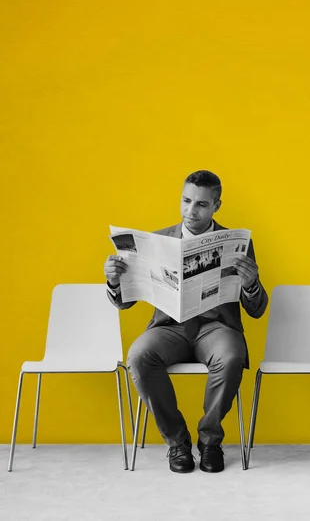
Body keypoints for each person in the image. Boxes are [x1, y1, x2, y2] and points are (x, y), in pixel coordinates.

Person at [104, 170, 268, 473]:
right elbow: (125, 301)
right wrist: (114, 282)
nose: (191, 211)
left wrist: (251, 284)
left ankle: (210, 441)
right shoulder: (156, 240)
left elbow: (257, 309)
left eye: (202, 205)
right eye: (186, 201)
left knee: (232, 357)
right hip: (170, 327)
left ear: (216, 205)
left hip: (216, 328)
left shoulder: (237, 242)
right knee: (138, 357)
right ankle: (177, 443)